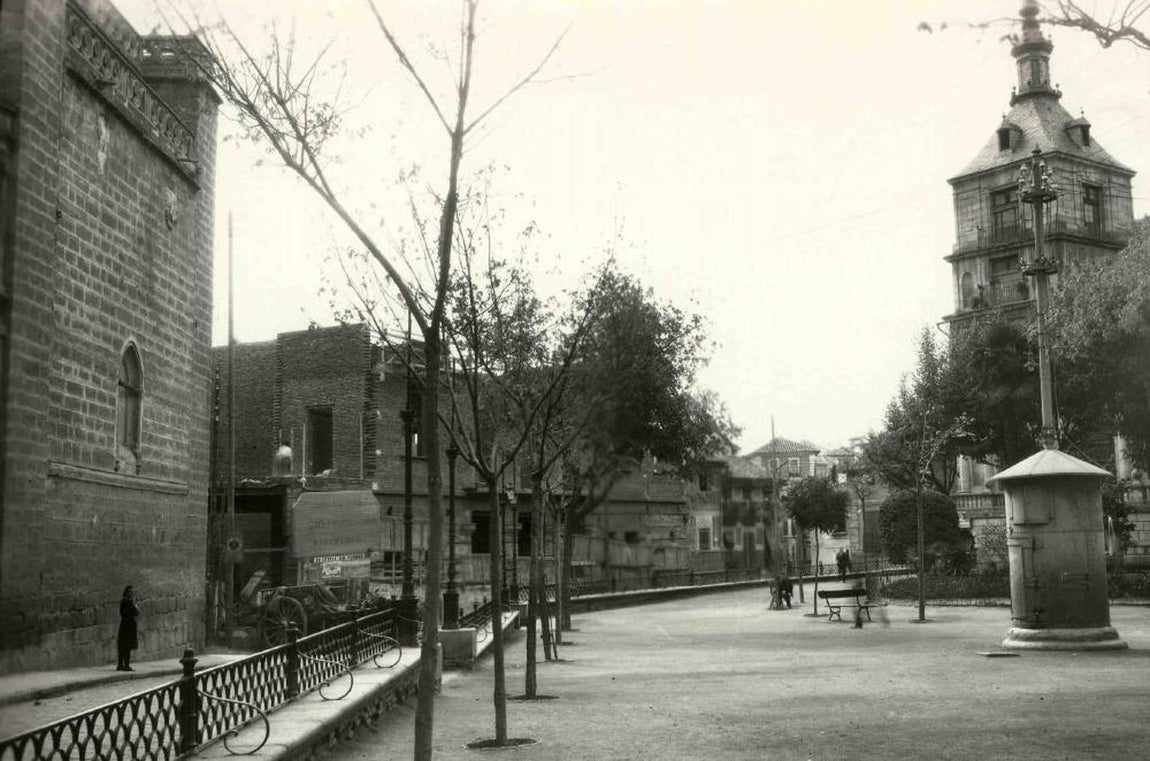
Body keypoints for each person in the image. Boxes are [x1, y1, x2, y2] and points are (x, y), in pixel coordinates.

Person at [117, 585, 139, 671]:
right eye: (130, 592)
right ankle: (123, 665)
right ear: (126, 592)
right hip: (126, 626)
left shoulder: (130, 602)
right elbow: (125, 613)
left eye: (132, 592)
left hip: (129, 626)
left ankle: (123, 664)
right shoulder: (125, 602)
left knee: (126, 646)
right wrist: (133, 607)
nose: (131, 594)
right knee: (124, 646)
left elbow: (136, 613)